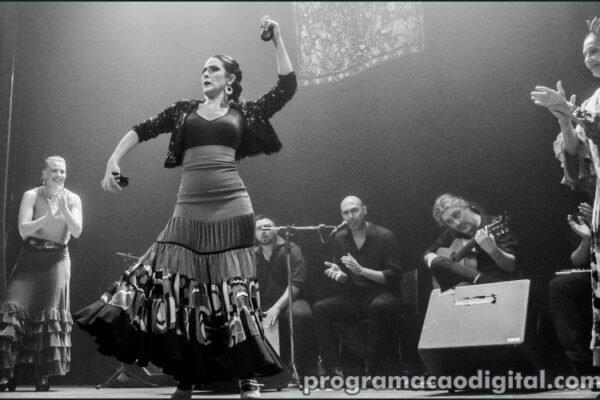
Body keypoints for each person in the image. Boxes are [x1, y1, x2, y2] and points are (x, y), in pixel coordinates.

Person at [73, 16, 296, 399]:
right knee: (183, 293)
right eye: (202, 70)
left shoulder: (244, 114)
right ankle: (188, 375)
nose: (205, 74)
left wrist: (277, 39)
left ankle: (247, 377)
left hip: (232, 206)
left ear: (230, 79)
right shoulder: (183, 111)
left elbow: (286, 87)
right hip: (188, 209)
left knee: (234, 292)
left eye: (213, 69)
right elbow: (142, 128)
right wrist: (113, 158)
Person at [530, 16, 600, 368]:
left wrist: (570, 111)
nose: (591, 57)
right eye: (587, 52)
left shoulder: (586, 108)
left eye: (597, 49)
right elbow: (576, 156)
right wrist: (563, 120)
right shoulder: (590, 102)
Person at [0, 156, 83, 392]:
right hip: (30, 258)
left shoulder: (74, 199)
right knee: (13, 308)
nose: (59, 175)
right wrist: (47, 217)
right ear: (44, 173)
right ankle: (9, 373)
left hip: (57, 259)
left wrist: (64, 209)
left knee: (50, 315)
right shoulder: (32, 195)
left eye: (63, 171)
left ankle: (42, 375)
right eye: (54, 170)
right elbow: (23, 230)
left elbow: (77, 231)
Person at [312, 195, 404, 377]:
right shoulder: (340, 238)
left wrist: (362, 270)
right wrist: (340, 277)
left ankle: (372, 365)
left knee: (380, 306)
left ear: (365, 210)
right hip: (355, 296)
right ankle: (333, 368)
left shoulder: (385, 236)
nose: (350, 216)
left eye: (354, 210)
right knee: (320, 308)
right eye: (345, 213)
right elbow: (347, 278)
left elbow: (393, 277)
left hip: (383, 294)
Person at [254, 215, 317, 380]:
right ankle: (265, 373)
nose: (264, 232)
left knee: (301, 315)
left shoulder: (291, 249)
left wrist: (277, 307)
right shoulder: (253, 255)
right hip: (264, 303)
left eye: (268, 227)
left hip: (291, 300)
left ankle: (306, 371)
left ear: (276, 230)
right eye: (259, 228)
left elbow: (297, 283)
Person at [423, 193, 517, 292]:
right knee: (437, 262)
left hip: (498, 287)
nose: (457, 223)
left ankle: (480, 279)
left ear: (466, 207)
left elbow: (510, 267)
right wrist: (430, 257)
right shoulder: (452, 232)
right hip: (469, 290)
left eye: (457, 214)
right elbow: (427, 253)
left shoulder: (493, 224)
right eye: (450, 222)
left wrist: (493, 251)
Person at [548, 203, 594, 376]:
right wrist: (586, 239)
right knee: (560, 285)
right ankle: (576, 362)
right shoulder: (581, 216)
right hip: (595, 275)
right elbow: (577, 261)